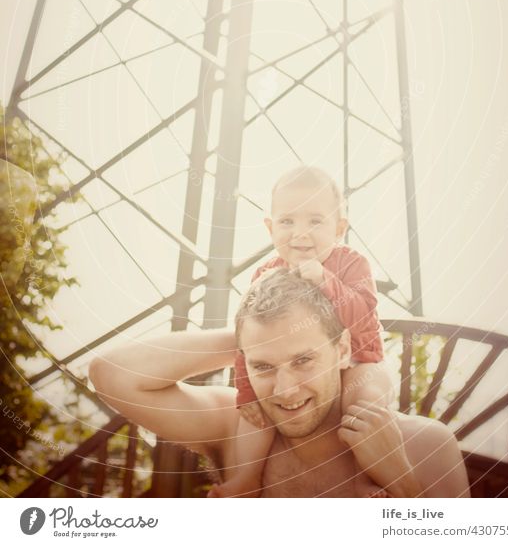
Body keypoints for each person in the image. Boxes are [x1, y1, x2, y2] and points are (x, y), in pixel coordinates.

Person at [89, 269, 470, 498]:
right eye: (264, 366)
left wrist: (404, 484)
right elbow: (112, 374)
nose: (286, 390)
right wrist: (247, 335)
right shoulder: (239, 429)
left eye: (303, 360)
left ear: (342, 349)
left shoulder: (426, 447)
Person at [227, 165, 393, 496]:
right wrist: (246, 391)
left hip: (360, 361)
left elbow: (363, 316)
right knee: (252, 415)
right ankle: (244, 479)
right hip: (297, 368)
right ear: (270, 228)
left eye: (315, 221)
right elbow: (248, 340)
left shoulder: (352, 263)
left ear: (339, 228)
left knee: (366, 406)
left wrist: (327, 282)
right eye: (287, 221)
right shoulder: (265, 273)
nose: (300, 233)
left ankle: (368, 478)